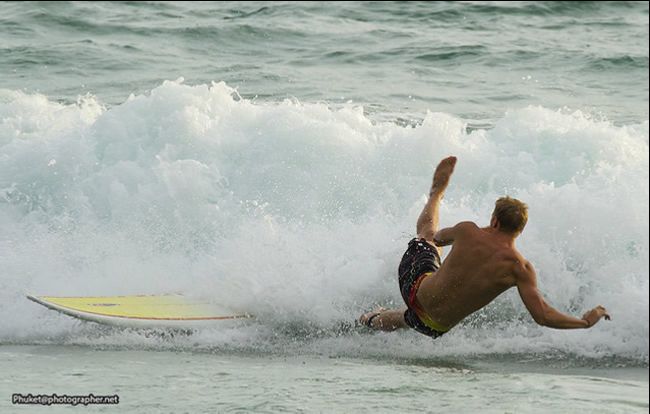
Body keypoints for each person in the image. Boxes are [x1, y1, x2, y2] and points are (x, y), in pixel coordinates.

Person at [359, 156, 610, 338]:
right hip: (435, 326)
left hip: (414, 289)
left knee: (424, 238)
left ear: (494, 220)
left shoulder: (468, 231)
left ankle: (436, 193)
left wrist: (460, 238)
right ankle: (369, 320)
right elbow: (543, 315)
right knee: (411, 318)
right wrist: (584, 322)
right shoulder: (521, 269)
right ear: (520, 230)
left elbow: (437, 237)